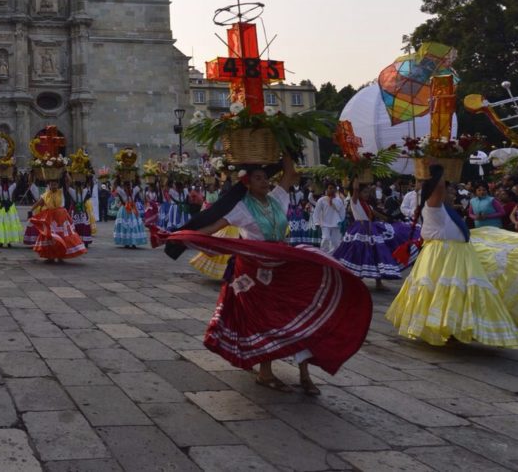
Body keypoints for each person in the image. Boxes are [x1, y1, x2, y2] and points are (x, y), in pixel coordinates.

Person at [165, 155, 373, 394]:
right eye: (259, 178)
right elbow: (212, 229)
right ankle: (265, 372)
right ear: (247, 183)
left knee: (302, 310)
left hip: (283, 267)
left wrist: (284, 143)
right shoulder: (241, 208)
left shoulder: (277, 198)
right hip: (255, 273)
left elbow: (289, 172)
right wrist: (179, 237)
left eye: (266, 177)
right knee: (267, 318)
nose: (265, 182)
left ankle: (305, 374)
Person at [386, 165, 518, 347]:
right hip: (444, 255)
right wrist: (439, 167)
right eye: (448, 190)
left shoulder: (443, 209)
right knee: (447, 292)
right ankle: (444, 328)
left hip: (456, 255)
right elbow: (437, 189)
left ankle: (455, 328)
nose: (452, 193)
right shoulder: (434, 207)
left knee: (459, 293)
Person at [29, 178, 86, 263]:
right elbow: (38, 203)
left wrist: (65, 173)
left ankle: (61, 256)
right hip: (50, 218)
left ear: (58, 185)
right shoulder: (45, 195)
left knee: (62, 236)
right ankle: (50, 256)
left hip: (61, 217)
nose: (53, 186)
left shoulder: (61, 192)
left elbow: (68, 182)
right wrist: (31, 210)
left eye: (55, 184)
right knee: (50, 236)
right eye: (52, 184)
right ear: (49, 185)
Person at [312, 183, 346, 255]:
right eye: (329, 188)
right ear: (326, 189)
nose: (331, 190)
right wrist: (316, 223)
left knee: (336, 243)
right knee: (326, 239)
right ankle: (323, 256)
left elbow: (342, 212)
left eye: (333, 188)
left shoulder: (339, 200)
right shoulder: (322, 200)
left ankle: (331, 257)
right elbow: (316, 212)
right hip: (325, 224)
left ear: (335, 189)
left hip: (337, 224)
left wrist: (342, 222)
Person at [113, 179, 147, 248]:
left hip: (132, 209)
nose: (128, 188)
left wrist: (136, 177)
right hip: (125, 210)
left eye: (129, 186)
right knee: (125, 226)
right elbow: (115, 186)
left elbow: (139, 185)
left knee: (133, 226)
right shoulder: (122, 192)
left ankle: (133, 242)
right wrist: (118, 177)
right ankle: (126, 242)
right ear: (124, 186)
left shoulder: (133, 191)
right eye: (127, 186)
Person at [0, 175, 21, 248]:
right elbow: (17, 182)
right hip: (7, 208)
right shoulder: (9, 187)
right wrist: (15, 174)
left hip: (6, 208)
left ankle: (4, 242)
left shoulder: (1, 187)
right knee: (8, 224)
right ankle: (5, 242)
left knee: (4, 224)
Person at [67, 179, 96, 248]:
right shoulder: (84, 191)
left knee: (76, 226)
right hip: (82, 212)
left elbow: (67, 186)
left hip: (76, 212)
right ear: (82, 185)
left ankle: (76, 241)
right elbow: (89, 184)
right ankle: (84, 241)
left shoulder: (73, 191)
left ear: (75, 185)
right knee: (84, 226)